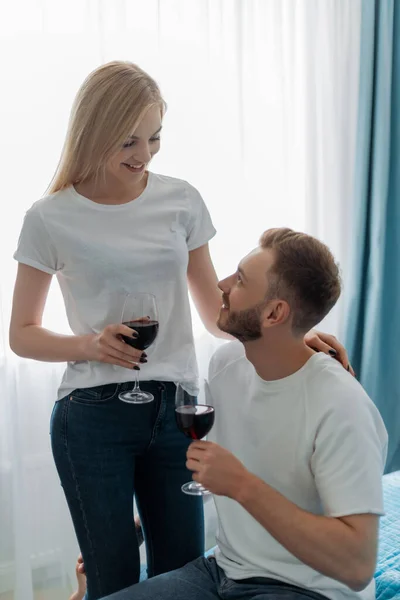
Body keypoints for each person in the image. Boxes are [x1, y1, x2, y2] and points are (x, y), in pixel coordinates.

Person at [10, 60, 352, 600]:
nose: (144, 155)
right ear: (93, 133)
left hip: (179, 413)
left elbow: (217, 311)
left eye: (154, 138)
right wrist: (89, 344)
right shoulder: (49, 218)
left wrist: (292, 337)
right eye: (128, 140)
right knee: (114, 581)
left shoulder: (180, 200)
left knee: (185, 569)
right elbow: (22, 335)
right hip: (91, 417)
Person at [97, 228, 387, 600]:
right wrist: (139, 524)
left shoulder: (342, 406)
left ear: (274, 313)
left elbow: (357, 566)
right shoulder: (226, 365)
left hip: (307, 591)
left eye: (240, 280)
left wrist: (243, 486)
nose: (221, 283)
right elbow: (223, 466)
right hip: (222, 572)